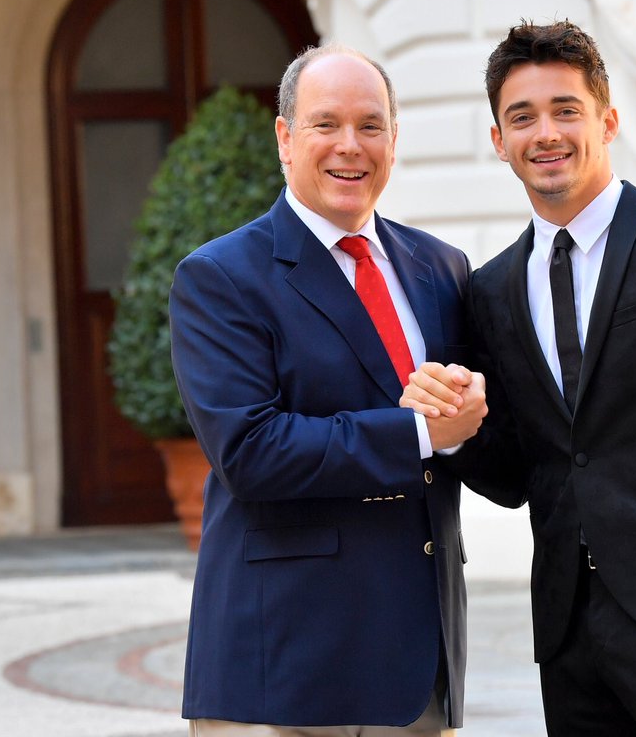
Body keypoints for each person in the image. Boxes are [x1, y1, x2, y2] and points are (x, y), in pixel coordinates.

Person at [401, 20, 636, 736]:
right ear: (499, 141)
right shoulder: (491, 290)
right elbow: (520, 473)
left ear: (606, 122)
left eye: (565, 110)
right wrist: (451, 433)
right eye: (522, 118)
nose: (545, 132)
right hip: (566, 630)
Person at [169, 44, 486, 737]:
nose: (351, 146)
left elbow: (466, 439)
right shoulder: (220, 277)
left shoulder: (442, 268)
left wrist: (471, 412)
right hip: (282, 668)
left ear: (394, 142)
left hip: (415, 673)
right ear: (285, 138)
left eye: (371, 126)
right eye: (325, 124)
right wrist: (417, 433)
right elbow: (250, 452)